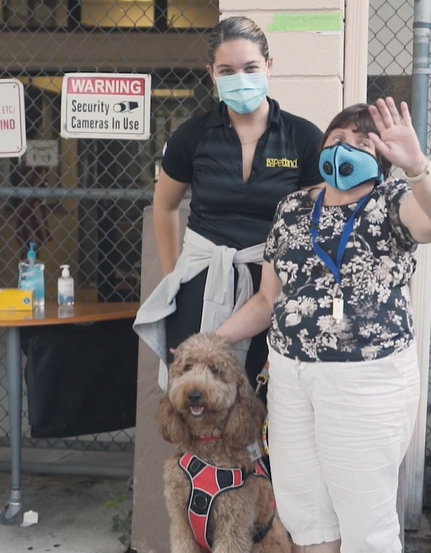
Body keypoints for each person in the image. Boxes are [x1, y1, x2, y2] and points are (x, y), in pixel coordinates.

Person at [214, 98, 431, 553]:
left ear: (380, 160)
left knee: (365, 520)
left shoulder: (392, 202)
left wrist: (417, 166)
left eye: (362, 143)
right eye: (338, 139)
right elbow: (268, 298)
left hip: (366, 382)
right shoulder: (291, 209)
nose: (345, 148)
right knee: (306, 515)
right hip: (291, 377)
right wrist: (214, 339)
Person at [133, 16, 324, 394]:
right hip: (202, 280)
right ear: (212, 75)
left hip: (272, 285)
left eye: (251, 67)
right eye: (227, 70)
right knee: (194, 396)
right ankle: (197, 459)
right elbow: (165, 207)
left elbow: (320, 220)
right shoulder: (192, 136)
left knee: (262, 398)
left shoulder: (303, 137)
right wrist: (176, 277)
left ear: (269, 67)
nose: (241, 78)